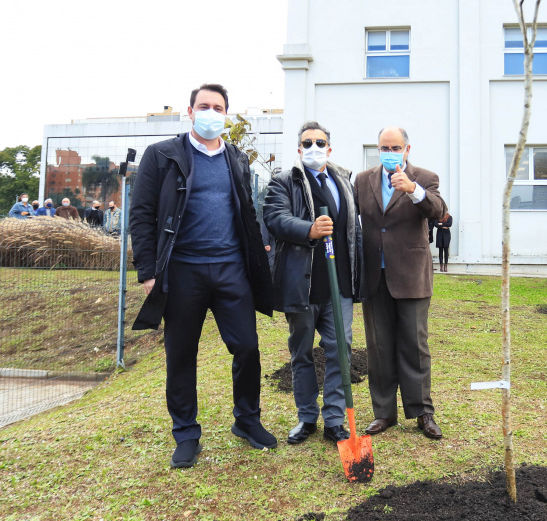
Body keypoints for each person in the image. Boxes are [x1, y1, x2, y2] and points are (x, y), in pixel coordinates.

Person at [129, 83, 276, 467]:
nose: (212, 112)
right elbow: (142, 215)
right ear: (190, 111)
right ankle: (186, 434)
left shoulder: (236, 158)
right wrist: (148, 271)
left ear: (226, 114)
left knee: (246, 346)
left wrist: (257, 251)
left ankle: (247, 420)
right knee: (181, 354)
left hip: (231, 269)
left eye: (219, 107)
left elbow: (246, 212)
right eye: (204, 106)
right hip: (182, 272)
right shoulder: (162, 155)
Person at [263, 121, 363, 446]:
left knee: (340, 352)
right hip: (302, 285)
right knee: (302, 353)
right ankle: (307, 417)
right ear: (298, 148)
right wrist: (309, 229)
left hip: (339, 285)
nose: (314, 148)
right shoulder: (284, 181)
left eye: (320, 143)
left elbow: (354, 228)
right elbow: (275, 218)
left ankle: (334, 419)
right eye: (307, 143)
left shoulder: (343, 181)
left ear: (329, 148)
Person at [355, 126, 447, 440]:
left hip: (411, 274)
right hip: (374, 275)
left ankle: (422, 412)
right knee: (378, 346)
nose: (389, 152)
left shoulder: (425, 177)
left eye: (395, 147)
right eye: (384, 147)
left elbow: (438, 210)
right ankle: (384, 413)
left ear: (407, 149)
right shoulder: (362, 180)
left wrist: (413, 189)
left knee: (415, 345)